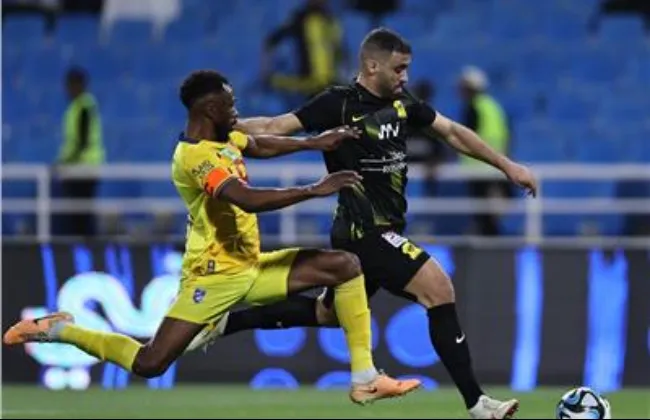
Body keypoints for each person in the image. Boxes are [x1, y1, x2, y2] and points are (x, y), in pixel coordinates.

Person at [3, 70, 421, 405]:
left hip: (251, 267)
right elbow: (246, 199)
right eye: (230, 102)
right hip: (212, 277)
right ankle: (60, 331)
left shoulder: (224, 138)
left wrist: (314, 143)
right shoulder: (194, 158)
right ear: (209, 108)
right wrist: (314, 189)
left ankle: (365, 378)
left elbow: (259, 144)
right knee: (150, 363)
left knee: (345, 266)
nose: (236, 109)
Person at [202, 28, 538, 419]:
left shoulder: (403, 103)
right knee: (438, 289)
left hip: (383, 228)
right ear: (373, 66)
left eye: (407, 69)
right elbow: (276, 126)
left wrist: (506, 165)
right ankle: (477, 403)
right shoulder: (338, 104)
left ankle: (226, 322)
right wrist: (218, 130)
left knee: (328, 314)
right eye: (399, 69)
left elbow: (450, 132)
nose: (405, 77)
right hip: (364, 231)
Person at [457, 66, 511, 236]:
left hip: (479, 167)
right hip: (495, 166)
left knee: (483, 213)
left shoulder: (473, 107)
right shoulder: (493, 106)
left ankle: (489, 239)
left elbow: (464, 137)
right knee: (490, 212)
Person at [56, 66, 105, 237]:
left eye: (70, 85)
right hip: (78, 168)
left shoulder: (84, 107)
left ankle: (85, 245)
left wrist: (62, 162)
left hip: (84, 168)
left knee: (82, 214)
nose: (67, 89)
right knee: (79, 213)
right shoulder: (77, 108)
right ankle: (82, 244)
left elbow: (81, 143)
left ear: (79, 85)